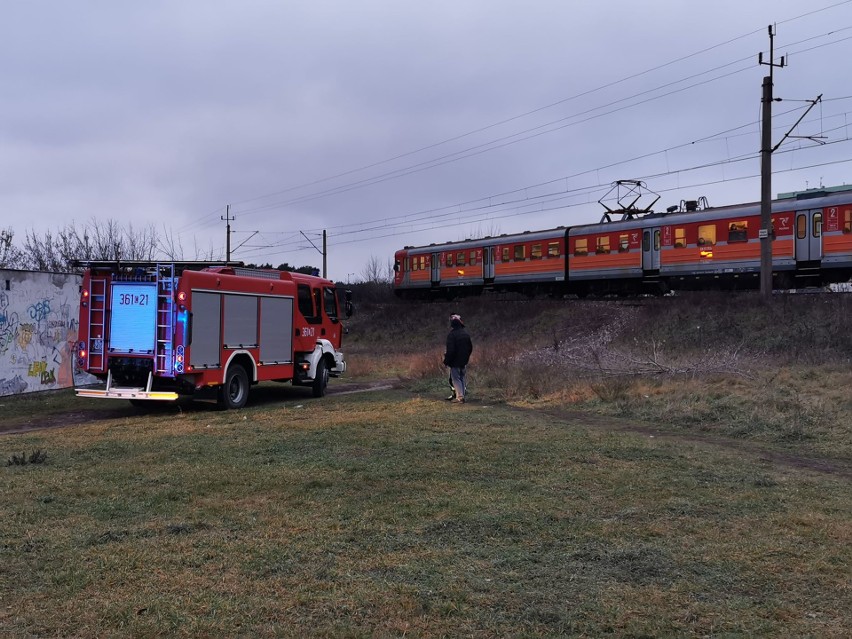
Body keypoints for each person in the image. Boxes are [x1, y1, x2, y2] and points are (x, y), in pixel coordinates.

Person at [443, 313, 473, 403]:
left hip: (455, 362)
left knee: (456, 379)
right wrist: (466, 357)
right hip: (464, 361)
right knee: (462, 378)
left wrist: (446, 361)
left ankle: (460, 397)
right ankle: (462, 395)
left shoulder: (452, 335)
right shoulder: (466, 334)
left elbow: (451, 351)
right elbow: (470, 348)